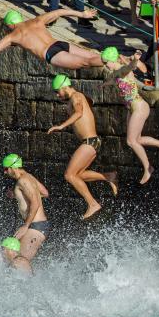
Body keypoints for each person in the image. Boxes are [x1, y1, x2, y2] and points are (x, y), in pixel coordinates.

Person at [49, 74, 118, 220]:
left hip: (89, 142)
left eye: (57, 91)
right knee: (78, 175)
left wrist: (61, 126)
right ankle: (108, 176)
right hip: (91, 142)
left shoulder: (76, 96)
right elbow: (88, 104)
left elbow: (79, 113)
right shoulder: (77, 97)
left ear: (64, 86)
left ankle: (93, 204)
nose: (57, 95)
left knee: (69, 175)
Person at [101, 48, 159, 183]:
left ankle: (148, 168)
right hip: (132, 109)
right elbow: (113, 79)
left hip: (139, 107)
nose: (104, 65)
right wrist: (104, 84)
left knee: (131, 141)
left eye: (105, 62)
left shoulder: (123, 70)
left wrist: (135, 60)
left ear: (112, 60)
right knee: (137, 140)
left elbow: (130, 67)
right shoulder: (116, 73)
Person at [0, 9, 102, 76]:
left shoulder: (13, 35)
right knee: (91, 56)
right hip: (59, 43)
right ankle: (114, 60)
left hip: (51, 53)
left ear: (10, 24)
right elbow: (58, 12)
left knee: (85, 62)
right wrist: (82, 14)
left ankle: (109, 60)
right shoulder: (37, 20)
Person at [2, 154, 49, 261]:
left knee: (20, 259)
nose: (5, 172)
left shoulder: (23, 181)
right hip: (36, 225)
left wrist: (25, 226)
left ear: (13, 167)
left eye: (6, 169)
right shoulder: (29, 177)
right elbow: (45, 193)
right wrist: (17, 195)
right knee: (9, 251)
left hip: (36, 226)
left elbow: (35, 203)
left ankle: (28, 274)